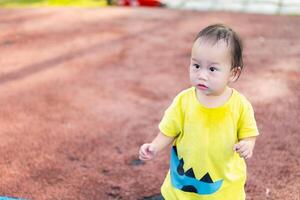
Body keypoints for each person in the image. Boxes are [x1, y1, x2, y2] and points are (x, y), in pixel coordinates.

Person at [139, 24, 259, 200]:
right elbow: (169, 130)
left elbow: (249, 134)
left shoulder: (240, 105)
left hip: (224, 188)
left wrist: (247, 145)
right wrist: (154, 146)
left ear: (233, 74)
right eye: (196, 66)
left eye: (212, 69)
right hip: (182, 186)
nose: (201, 75)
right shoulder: (183, 100)